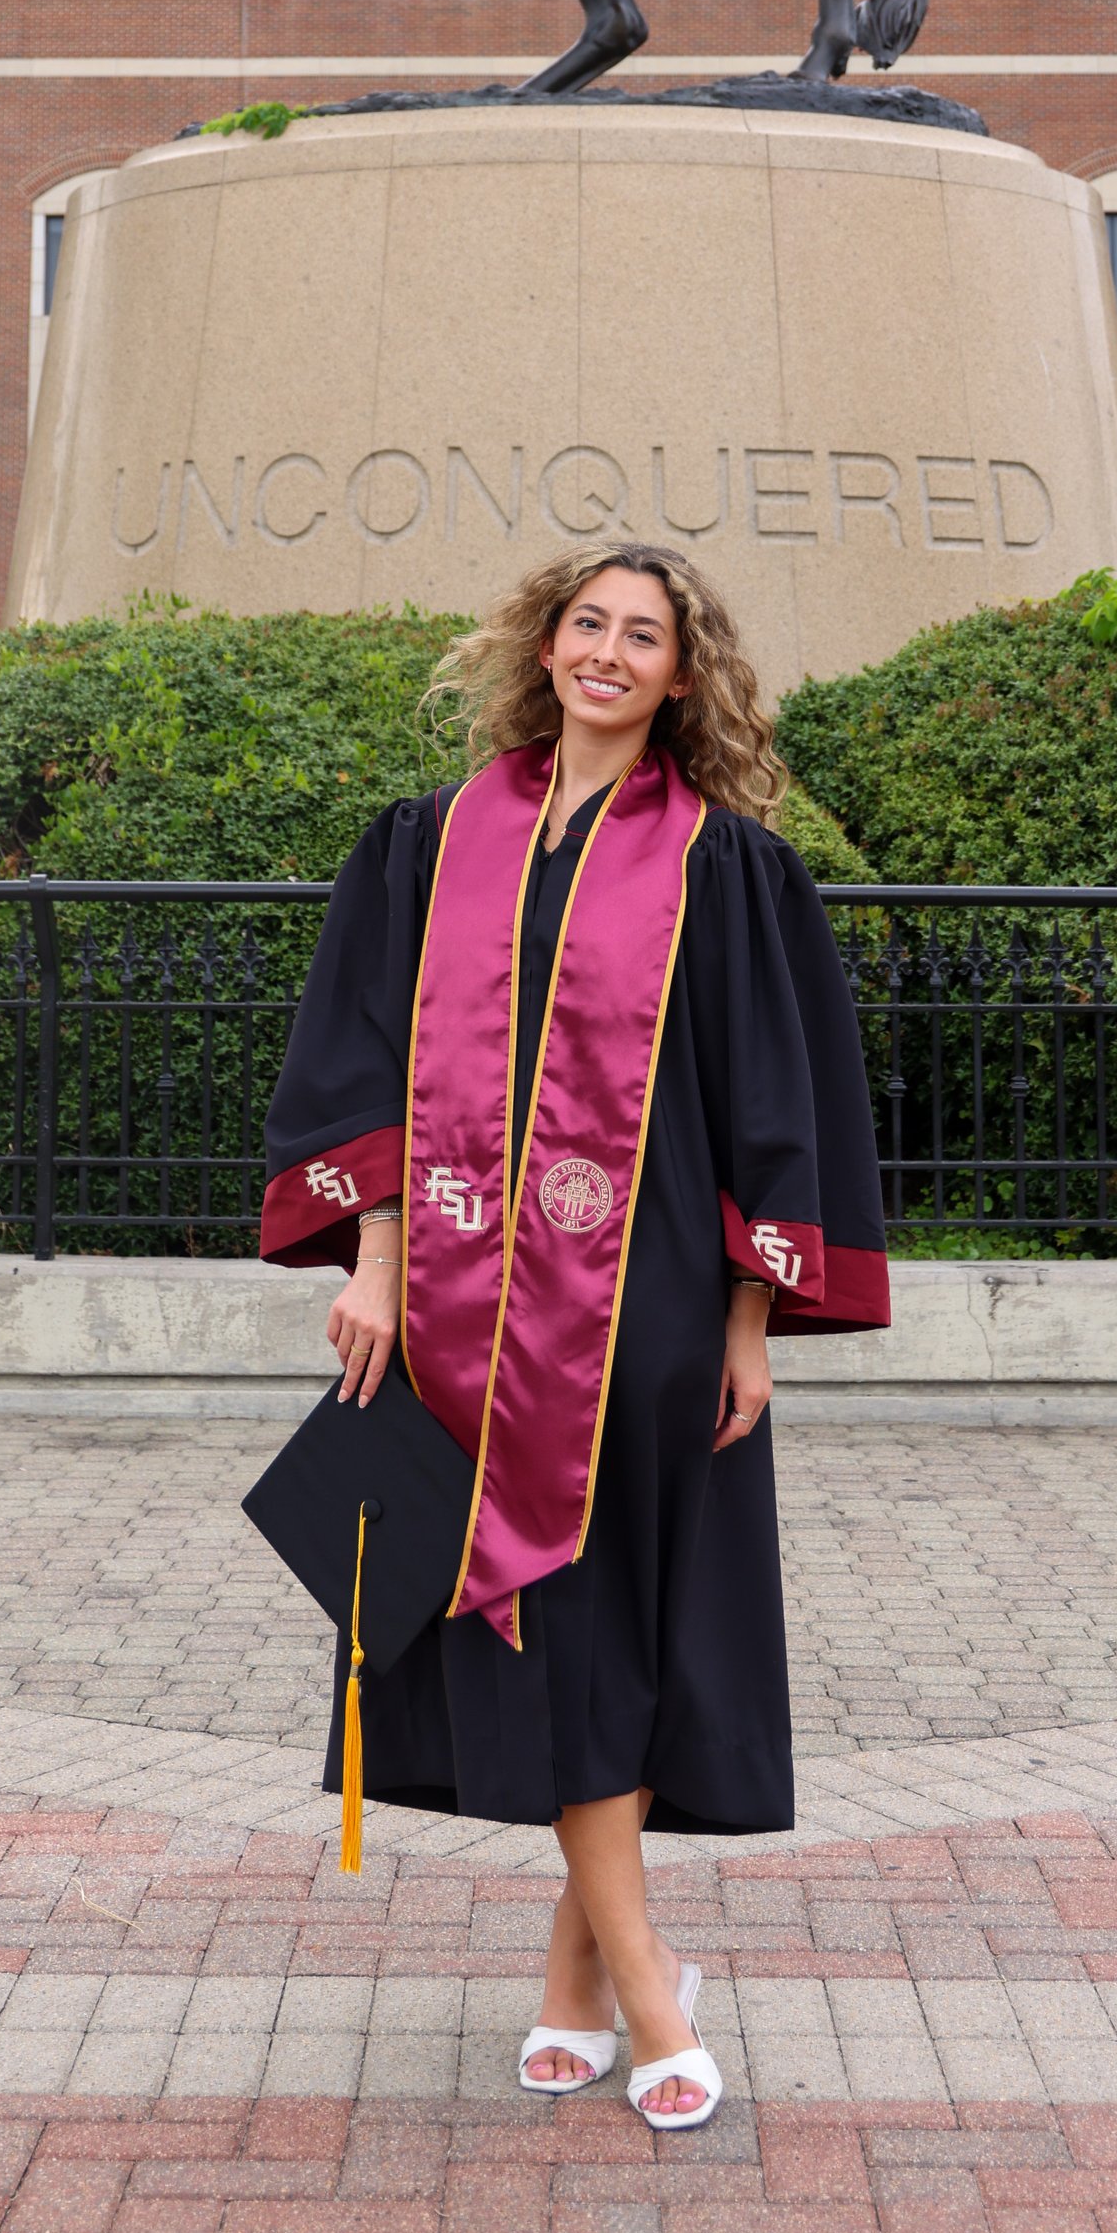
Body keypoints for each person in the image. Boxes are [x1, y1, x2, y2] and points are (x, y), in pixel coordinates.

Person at [257, 541, 889, 2129]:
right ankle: (629, 1981)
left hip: (653, 1312)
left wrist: (752, 1313)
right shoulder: (425, 849)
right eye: (588, 626)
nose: (609, 653)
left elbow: (773, 1103)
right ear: (546, 650)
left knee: (616, 1634)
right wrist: (379, 1266)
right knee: (565, 1640)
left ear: (684, 675)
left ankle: (599, 1985)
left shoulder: (724, 868)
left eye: (645, 637)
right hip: (466, 1319)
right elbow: (369, 1070)